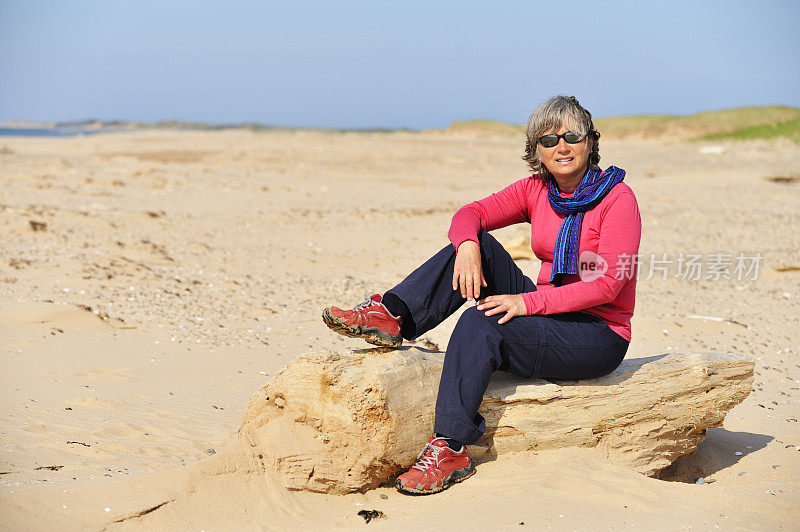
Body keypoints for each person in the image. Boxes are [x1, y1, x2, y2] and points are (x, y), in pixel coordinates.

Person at [322, 95, 641, 495]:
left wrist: (526, 302)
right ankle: (394, 316)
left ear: (590, 142)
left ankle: (450, 447)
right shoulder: (537, 190)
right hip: (547, 315)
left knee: (480, 320)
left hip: (597, 334)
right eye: (548, 139)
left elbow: (607, 285)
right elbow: (469, 214)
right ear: (536, 151)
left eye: (571, 135)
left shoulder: (618, 199)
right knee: (479, 246)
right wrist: (468, 245)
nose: (561, 147)